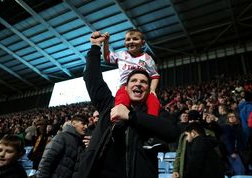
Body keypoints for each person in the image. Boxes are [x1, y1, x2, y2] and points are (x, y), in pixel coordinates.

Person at [74, 31, 179, 178]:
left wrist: (130, 116)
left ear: (148, 89)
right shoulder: (109, 105)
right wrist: (95, 46)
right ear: (126, 86)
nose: (138, 84)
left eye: (143, 82)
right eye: (134, 81)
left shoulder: (155, 111)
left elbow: (172, 132)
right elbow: (92, 77)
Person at [102, 29, 160, 118]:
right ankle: (117, 122)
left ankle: (153, 122)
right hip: (124, 87)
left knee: (154, 101)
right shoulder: (121, 54)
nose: (131, 41)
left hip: (142, 89)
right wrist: (105, 42)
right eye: (128, 39)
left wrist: (152, 90)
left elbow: (155, 75)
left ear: (143, 42)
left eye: (135, 39)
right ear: (125, 43)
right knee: (121, 99)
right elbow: (106, 57)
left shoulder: (147, 58)